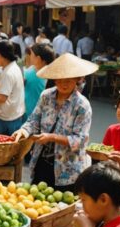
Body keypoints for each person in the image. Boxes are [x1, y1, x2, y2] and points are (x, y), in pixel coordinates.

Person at [12, 53, 97, 192]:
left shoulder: (82, 105)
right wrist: (24, 130)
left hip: (67, 169)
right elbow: (34, 120)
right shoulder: (46, 96)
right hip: (42, 162)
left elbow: (80, 140)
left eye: (69, 80)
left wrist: (52, 138)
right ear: (55, 79)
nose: (64, 83)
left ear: (77, 80)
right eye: (60, 79)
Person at [23, 43, 55, 120]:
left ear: (38, 58)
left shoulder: (49, 76)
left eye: (31, 54)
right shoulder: (30, 70)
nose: (30, 56)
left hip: (38, 116)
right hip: (27, 114)